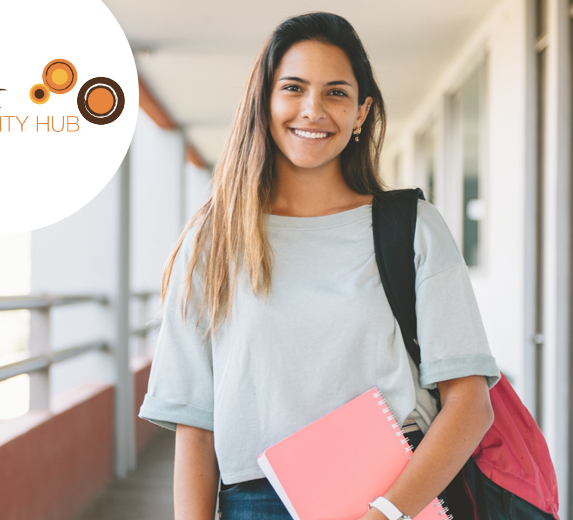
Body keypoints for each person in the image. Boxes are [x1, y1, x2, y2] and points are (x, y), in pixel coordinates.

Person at [138, 12, 500, 520]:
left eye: (335, 92)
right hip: (254, 501)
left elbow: (470, 404)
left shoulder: (412, 227)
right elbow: (196, 426)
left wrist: (384, 513)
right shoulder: (213, 240)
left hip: (397, 494)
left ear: (361, 111)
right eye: (293, 88)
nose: (313, 109)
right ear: (264, 101)